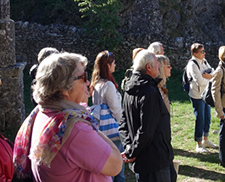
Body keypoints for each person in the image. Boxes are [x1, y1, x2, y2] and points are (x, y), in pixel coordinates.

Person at [13, 52, 122, 182]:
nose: (87, 82)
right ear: (64, 87)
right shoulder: (73, 127)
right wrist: (86, 119)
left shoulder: (42, 113)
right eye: (83, 77)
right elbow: (116, 165)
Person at [119, 50, 176, 182]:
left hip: (146, 157)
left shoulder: (132, 87)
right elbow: (146, 129)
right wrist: (131, 151)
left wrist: (129, 147)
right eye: (157, 64)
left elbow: (123, 122)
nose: (159, 67)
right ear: (148, 67)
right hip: (154, 159)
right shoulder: (148, 91)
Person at [91, 51, 125, 182]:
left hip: (101, 129)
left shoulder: (96, 84)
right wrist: (122, 124)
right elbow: (115, 108)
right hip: (113, 129)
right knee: (119, 168)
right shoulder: (108, 85)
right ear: (108, 65)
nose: (115, 65)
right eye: (113, 62)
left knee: (107, 165)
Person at [185, 43, 217, 153]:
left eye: (204, 51)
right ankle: (198, 144)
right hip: (197, 95)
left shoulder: (204, 61)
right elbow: (199, 81)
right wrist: (210, 78)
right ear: (194, 53)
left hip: (206, 94)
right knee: (200, 118)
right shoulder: (192, 64)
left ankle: (206, 140)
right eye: (201, 52)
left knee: (207, 117)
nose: (204, 53)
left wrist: (208, 76)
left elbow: (213, 71)